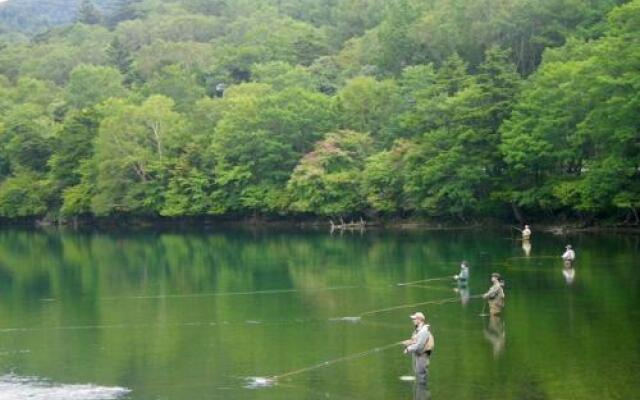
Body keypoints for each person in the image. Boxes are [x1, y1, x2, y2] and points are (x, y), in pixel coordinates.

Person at [402, 312, 432, 385]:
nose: (413, 320)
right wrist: (408, 342)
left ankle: (422, 393)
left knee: (421, 376)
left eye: (414, 319)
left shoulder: (423, 331)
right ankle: (420, 394)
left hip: (422, 356)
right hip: (418, 356)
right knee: (418, 375)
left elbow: (419, 345)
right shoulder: (418, 330)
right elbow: (415, 341)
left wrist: (408, 349)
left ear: (419, 320)